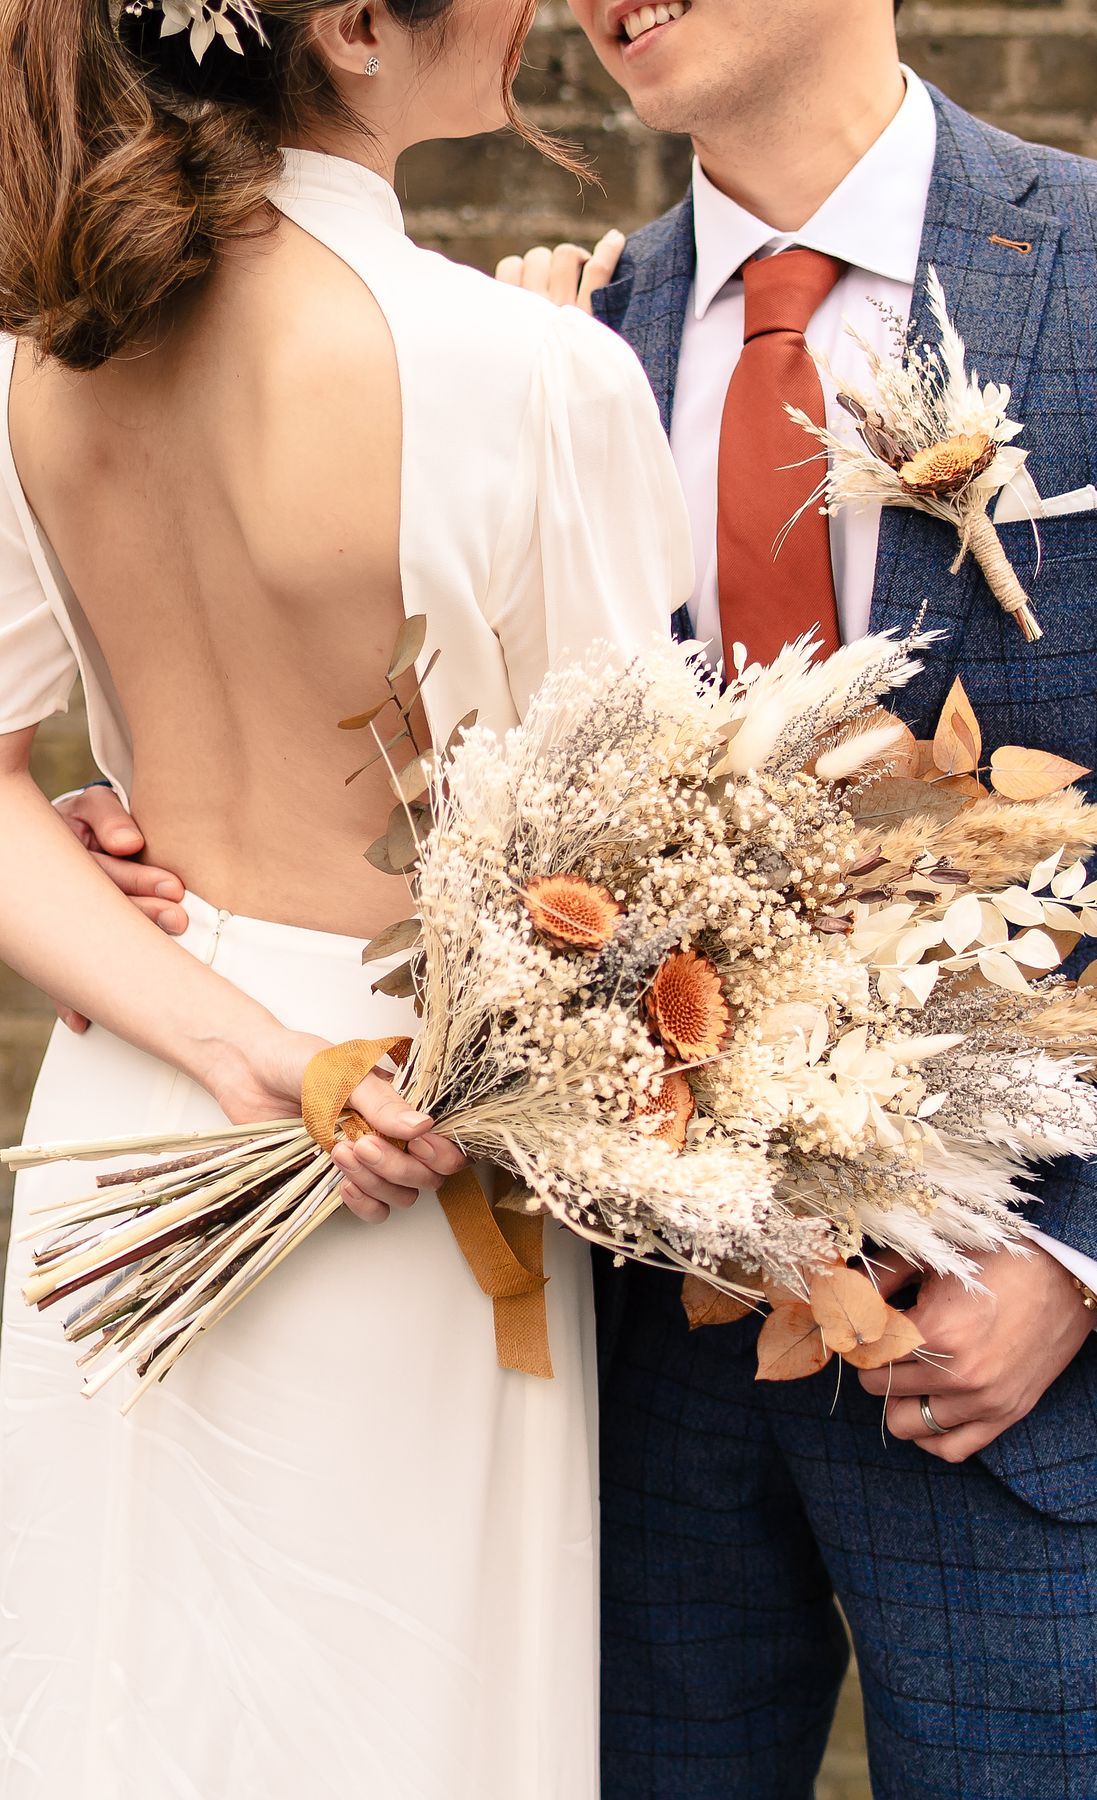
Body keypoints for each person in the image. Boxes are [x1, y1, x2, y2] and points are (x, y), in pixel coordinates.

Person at [47, 1, 1097, 1793]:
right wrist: (132, 841)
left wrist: (1094, 1259)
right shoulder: (555, 340)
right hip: (619, 1361)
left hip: (1017, 1367)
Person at [0, 1, 691, 1795]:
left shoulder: (38, 362)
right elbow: (638, 868)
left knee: (113, 1694)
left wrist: (226, 1043)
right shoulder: (526, 375)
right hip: (398, 1135)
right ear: (363, 31)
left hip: (133, 1105)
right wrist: (562, 393)